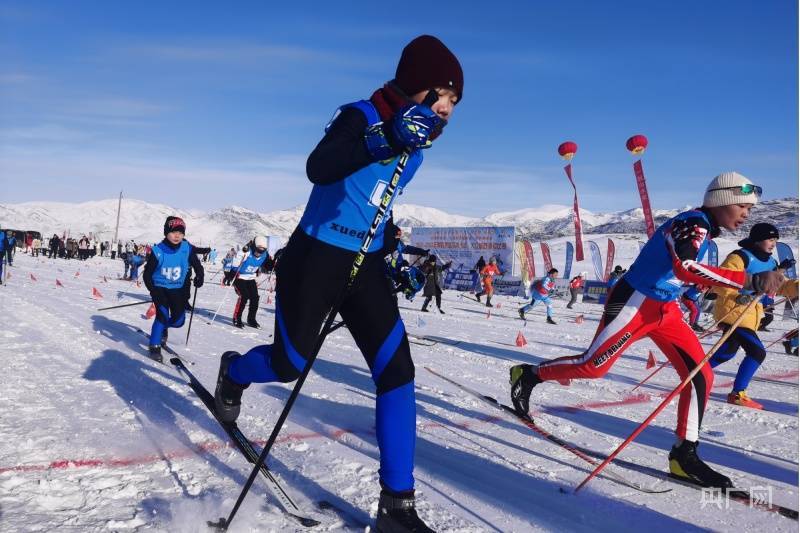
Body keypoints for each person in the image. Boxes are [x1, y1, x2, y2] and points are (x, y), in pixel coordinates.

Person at [213, 35, 462, 532]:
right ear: (414, 85)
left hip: (364, 266)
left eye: (454, 102)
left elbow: (371, 198)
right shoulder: (362, 115)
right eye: (440, 95)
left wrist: (387, 232)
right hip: (316, 256)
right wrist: (387, 137)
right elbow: (320, 167)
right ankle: (235, 373)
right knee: (289, 364)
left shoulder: (419, 143)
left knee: (397, 372)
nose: (446, 109)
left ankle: (397, 506)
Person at [509, 172, 785, 489]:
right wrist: (748, 280)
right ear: (722, 200)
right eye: (743, 205)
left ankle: (685, 455)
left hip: (664, 309)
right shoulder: (694, 223)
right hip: (635, 302)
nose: (747, 214)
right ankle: (528, 374)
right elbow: (686, 266)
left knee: (700, 374)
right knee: (593, 367)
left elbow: (683, 274)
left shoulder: (705, 231)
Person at [708, 223, 798, 409]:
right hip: (732, 311)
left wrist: (795, 287)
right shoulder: (740, 257)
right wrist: (737, 295)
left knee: (726, 353)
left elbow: (779, 285)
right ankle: (737, 393)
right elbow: (720, 280)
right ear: (757, 240)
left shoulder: (771, 262)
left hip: (748, 314)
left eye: (775, 240)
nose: (773, 243)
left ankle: (695, 373)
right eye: (769, 239)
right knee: (757, 352)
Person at [143, 216, 204, 361]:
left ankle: (163, 326)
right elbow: (147, 275)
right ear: (166, 232)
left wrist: (200, 275)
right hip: (160, 288)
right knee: (162, 315)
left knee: (179, 320)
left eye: (181, 232)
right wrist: (153, 291)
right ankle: (154, 345)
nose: (177, 235)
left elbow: (197, 264)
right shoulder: (158, 251)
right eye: (173, 232)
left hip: (177, 289)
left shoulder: (186, 247)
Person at [231, 237, 270, 328]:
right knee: (244, 296)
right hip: (240, 277)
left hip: (251, 277)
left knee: (255, 298)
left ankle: (251, 319)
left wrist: (275, 259)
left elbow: (268, 266)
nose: (258, 253)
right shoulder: (246, 252)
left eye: (261, 251)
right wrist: (233, 274)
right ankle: (237, 318)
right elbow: (234, 265)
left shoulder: (265, 255)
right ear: (254, 247)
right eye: (257, 250)